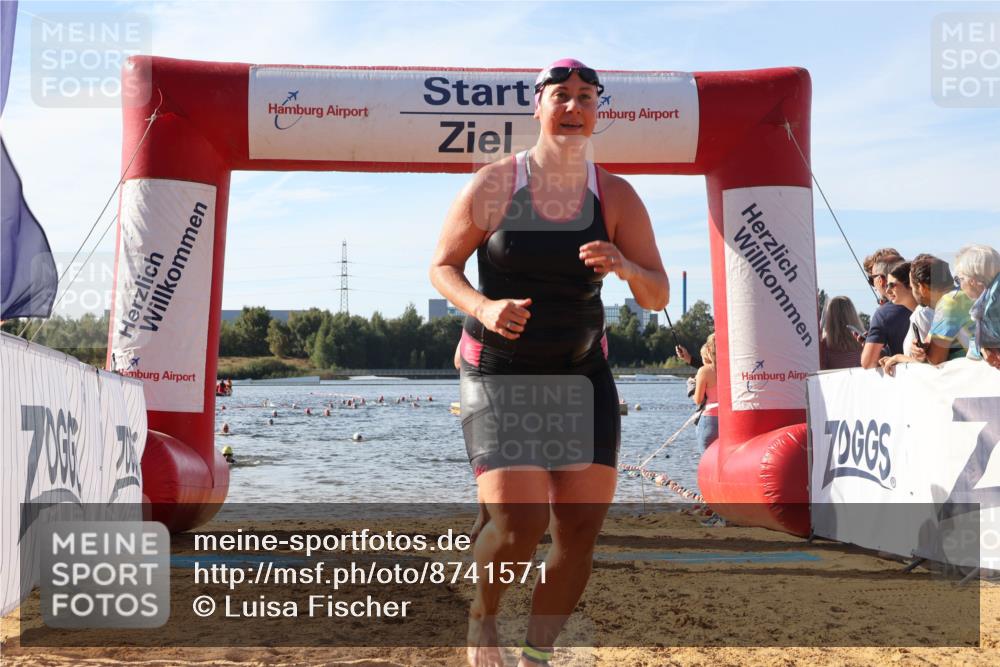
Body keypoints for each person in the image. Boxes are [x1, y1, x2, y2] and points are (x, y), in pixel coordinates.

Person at [429, 58, 668, 667]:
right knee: (519, 523)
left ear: (598, 112)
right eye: (560, 95)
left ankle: (537, 651)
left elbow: (658, 294)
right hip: (500, 369)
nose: (573, 106)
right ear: (537, 106)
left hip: (582, 372)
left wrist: (625, 266)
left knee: (578, 533)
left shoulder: (614, 195)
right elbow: (442, 267)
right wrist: (483, 306)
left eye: (586, 97)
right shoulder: (495, 184)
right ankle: (482, 626)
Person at [861, 251, 909, 368]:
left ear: (880, 280)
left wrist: (870, 346)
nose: (874, 285)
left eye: (872, 279)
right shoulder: (928, 303)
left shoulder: (883, 314)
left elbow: (867, 363)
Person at [954, 244, 1000, 360]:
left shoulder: (990, 309)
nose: (959, 285)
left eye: (959, 279)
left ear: (972, 280)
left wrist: (984, 348)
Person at [818, 296, 864, 369]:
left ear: (830, 318)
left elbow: (821, 373)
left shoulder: (824, 346)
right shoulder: (864, 342)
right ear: (853, 315)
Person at [692, 342, 718, 450]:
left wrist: (692, 388)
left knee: (707, 461)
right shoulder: (729, 368)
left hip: (710, 420)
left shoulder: (704, 371)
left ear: (707, 353)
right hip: (728, 419)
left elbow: (698, 400)